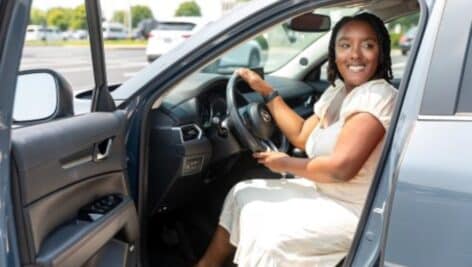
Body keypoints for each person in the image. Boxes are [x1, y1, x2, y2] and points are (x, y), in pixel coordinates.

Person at [196, 12, 398, 267]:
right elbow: (303, 135)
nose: (355, 55)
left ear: (381, 52)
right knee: (241, 193)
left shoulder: (376, 96)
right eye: (345, 45)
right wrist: (267, 92)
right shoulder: (338, 92)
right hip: (325, 193)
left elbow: (340, 169)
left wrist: (285, 163)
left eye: (367, 45)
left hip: (355, 210)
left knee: (269, 237)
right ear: (334, 52)